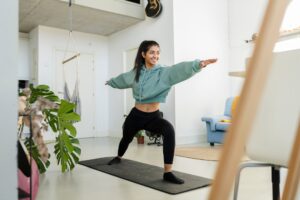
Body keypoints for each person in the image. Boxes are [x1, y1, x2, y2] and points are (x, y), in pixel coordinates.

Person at [105, 40, 217, 184]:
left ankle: (168, 172)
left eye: (158, 53)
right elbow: (122, 79)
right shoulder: (136, 73)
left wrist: (198, 64)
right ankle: (118, 157)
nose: (155, 56)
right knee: (126, 137)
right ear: (143, 54)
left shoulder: (164, 72)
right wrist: (111, 82)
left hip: (153, 117)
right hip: (136, 115)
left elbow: (179, 70)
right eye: (152, 52)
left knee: (169, 130)